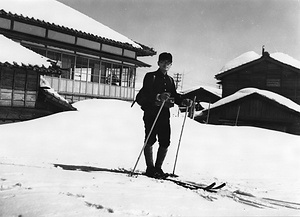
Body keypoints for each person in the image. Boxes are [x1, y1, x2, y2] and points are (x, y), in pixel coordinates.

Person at [141, 52, 192, 178]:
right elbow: (145, 93)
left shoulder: (169, 80)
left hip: (164, 114)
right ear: (158, 63)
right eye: (163, 62)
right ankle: (150, 168)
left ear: (171, 65)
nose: (165, 64)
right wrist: (158, 96)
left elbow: (174, 95)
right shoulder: (150, 76)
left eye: (168, 63)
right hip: (151, 113)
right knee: (150, 139)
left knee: (165, 141)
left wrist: (183, 101)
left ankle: (158, 168)